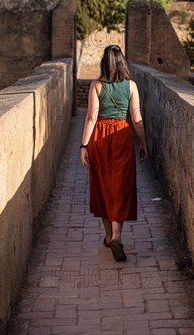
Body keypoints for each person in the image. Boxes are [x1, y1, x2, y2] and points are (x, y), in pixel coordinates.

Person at [79, 44, 148, 262]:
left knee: (102, 184)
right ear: (122, 63)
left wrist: (83, 146)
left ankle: (108, 236)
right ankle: (116, 236)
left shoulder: (97, 85)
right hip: (121, 135)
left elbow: (91, 118)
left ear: (104, 63)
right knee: (121, 185)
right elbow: (136, 119)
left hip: (99, 137)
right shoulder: (131, 86)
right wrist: (144, 144)